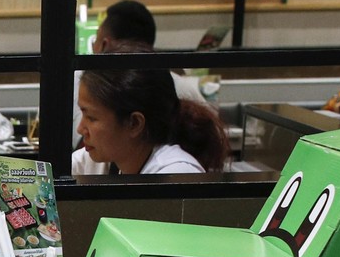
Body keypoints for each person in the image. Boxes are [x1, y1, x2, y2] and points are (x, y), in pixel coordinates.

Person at [72, 65, 230, 175]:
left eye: (91, 117)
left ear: (135, 124)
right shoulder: (106, 159)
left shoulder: (176, 176)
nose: (80, 129)